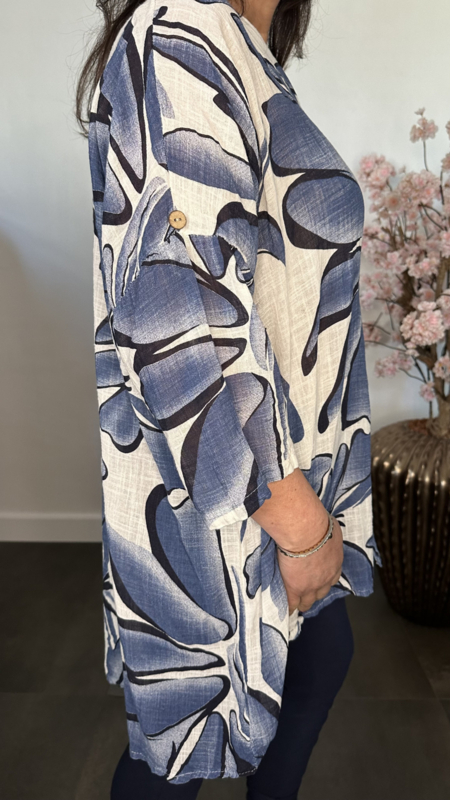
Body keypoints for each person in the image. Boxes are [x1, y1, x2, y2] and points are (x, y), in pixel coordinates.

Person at [75, 0, 383, 797]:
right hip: (234, 500)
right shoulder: (182, 27)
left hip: (270, 487)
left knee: (307, 670)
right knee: (186, 747)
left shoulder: (240, 46)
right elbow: (179, 318)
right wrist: (297, 522)